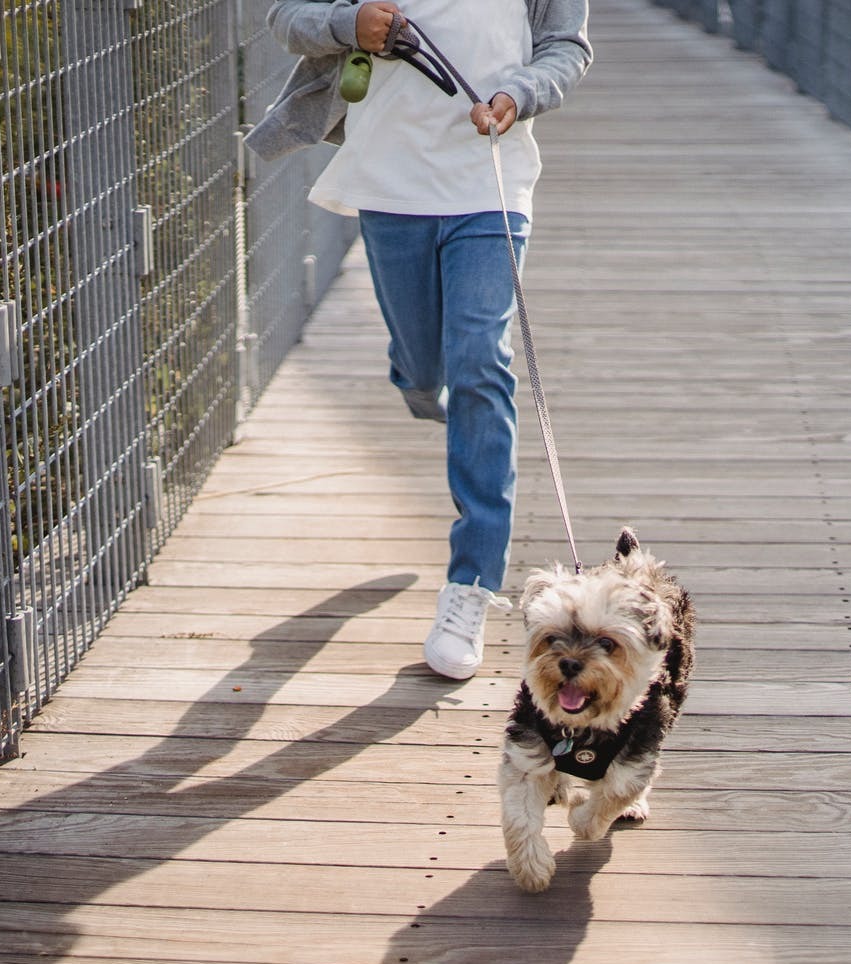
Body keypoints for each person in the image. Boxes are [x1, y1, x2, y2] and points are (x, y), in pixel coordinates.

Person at [247, 0, 592, 680]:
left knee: (480, 360)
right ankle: (416, 376)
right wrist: (350, 26)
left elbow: (567, 47)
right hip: (390, 184)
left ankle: (472, 584)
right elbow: (285, 17)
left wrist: (518, 94)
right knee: (427, 364)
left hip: (490, 182)